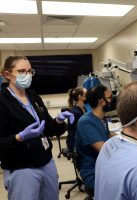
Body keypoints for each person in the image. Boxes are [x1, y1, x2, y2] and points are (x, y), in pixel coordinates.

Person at [0, 56, 74, 200]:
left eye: (29, 71)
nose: (27, 75)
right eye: (21, 71)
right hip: (21, 168)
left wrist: (58, 121)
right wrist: (19, 137)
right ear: (8, 75)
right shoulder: (2, 102)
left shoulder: (33, 96)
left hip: (46, 161)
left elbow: (48, 129)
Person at [75, 84, 116, 193]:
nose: (112, 100)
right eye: (110, 98)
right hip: (93, 171)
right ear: (102, 101)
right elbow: (105, 150)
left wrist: (126, 138)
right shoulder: (86, 122)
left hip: (105, 166)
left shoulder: (101, 118)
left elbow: (107, 133)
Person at [66, 86, 87, 152]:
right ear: (80, 97)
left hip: (81, 138)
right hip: (74, 143)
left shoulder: (83, 108)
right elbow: (83, 130)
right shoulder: (75, 113)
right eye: (86, 94)